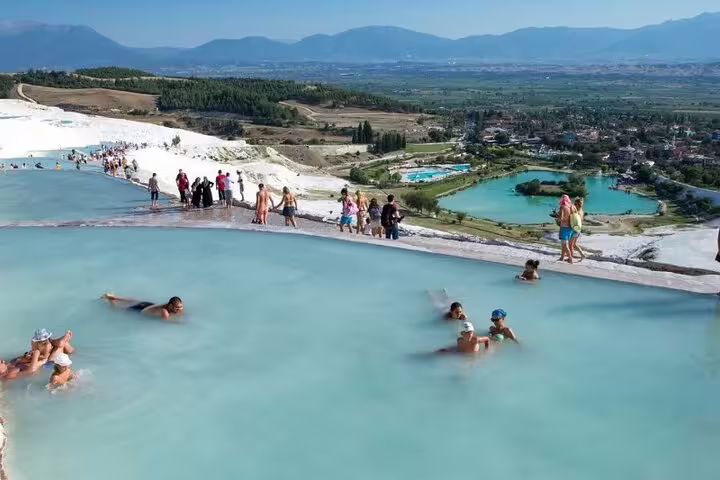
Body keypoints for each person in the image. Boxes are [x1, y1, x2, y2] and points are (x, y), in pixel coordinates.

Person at [102, 293, 184, 321]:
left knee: (134, 301)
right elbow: (166, 322)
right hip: (141, 309)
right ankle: (110, 301)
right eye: (177, 308)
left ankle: (115, 297)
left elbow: (179, 310)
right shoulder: (164, 312)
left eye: (180, 307)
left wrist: (179, 311)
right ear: (170, 305)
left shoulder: (171, 306)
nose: (179, 309)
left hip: (148, 304)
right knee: (119, 309)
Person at [556, 194, 577, 263]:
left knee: (564, 244)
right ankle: (562, 257)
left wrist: (557, 217)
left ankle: (570, 259)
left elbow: (560, 218)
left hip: (564, 227)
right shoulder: (572, 206)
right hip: (571, 227)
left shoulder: (563, 207)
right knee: (564, 244)